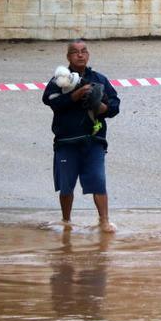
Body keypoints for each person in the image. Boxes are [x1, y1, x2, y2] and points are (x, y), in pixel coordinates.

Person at [42, 40, 120, 233]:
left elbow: (115, 105)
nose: (80, 55)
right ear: (68, 57)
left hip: (94, 141)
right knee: (66, 186)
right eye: (75, 52)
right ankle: (66, 221)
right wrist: (74, 96)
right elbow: (50, 101)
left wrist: (102, 107)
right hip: (66, 141)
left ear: (88, 55)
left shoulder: (99, 79)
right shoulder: (59, 79)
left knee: (98, 181)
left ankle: (104, 221)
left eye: (84, 51)